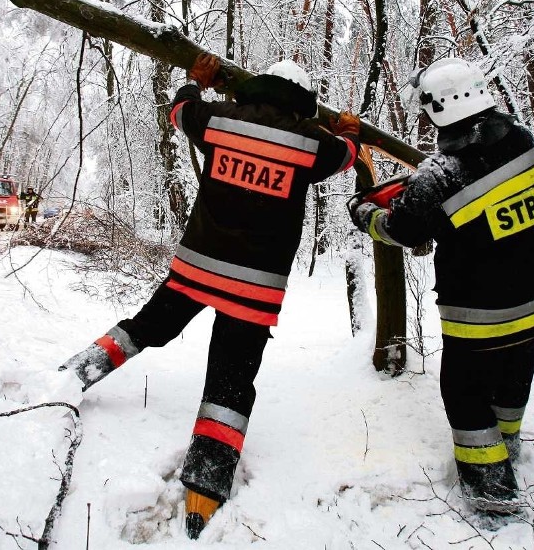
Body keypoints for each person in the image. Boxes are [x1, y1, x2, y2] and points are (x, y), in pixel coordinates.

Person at [58, 53, 360, 538]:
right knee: (231, 378)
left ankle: (74, 374)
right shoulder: (311, 142)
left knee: (145, 327)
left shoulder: (221, 120)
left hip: (195, 269)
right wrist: (349, 130)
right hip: (254, 287)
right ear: (302, 102)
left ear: (256, 87)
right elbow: (346, 155)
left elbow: (180, 111)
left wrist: (196, 84)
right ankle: (206, 485)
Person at [348, 57, 534, 514]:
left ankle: (491, 493)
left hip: (479, 315)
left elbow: (405, 232)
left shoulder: (438, 176)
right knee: (513, 381)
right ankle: (509, 449)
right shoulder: (523, 142)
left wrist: (368, 215)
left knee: (465, 397)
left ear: (437, 109)